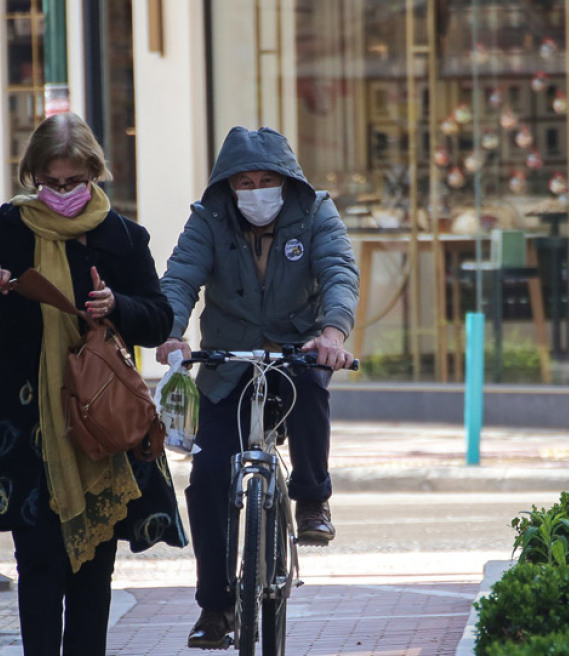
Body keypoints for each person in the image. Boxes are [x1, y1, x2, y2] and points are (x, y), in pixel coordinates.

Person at [0, 113, 185, 655]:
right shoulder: (10, 229)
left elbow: (160, 317)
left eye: (72, 181)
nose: (60, 192)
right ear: (32, 175)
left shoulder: (124, 238)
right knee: (37, 562)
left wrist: (118, 306)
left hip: (104, 425)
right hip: (24, 425)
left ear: (94, 172)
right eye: (49, 182)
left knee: (93, 569)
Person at [157, 126, 359, 649]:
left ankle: (313, 499)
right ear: (227, 186)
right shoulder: (208, 219)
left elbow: (339, 271)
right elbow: (180, 277)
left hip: (296, 350)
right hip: (227, 363)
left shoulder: (316, 212)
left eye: (266, 179)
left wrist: (332, 334)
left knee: (312, 385)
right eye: (243, 181)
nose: (255, 190)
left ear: (287, 181)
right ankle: (216, 609)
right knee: (206, 479)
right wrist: (172, 331)